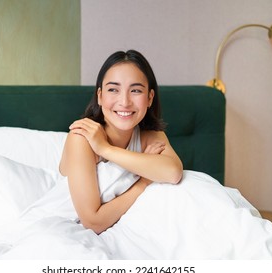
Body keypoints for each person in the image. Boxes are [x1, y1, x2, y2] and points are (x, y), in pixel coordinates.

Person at [59, 50, 183, 234]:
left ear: (149, 98)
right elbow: (93, 222)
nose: (124, 102)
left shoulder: (150, 135)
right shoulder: (81, 138)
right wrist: (143, 182)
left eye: (135, 90)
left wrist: (106, 149)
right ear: (100, 96)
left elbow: (173, 173)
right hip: (63, 225)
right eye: (113, 89)